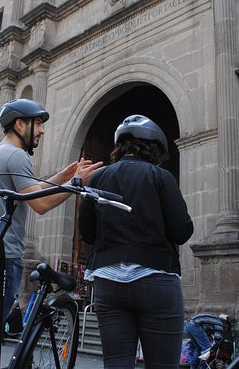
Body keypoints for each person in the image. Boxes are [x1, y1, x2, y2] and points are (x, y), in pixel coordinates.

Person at [0, 98, 102, 322]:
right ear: (20, 124)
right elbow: (39, 204)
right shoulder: (17, 155)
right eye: (38, 123)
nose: (42, 131)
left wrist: (64, 176)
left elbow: (29, 190)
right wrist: (76, 184)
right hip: (4, 255)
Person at [79, 114, 194, 368]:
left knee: (116, 363)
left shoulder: (97, 179)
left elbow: (87, 233)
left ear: (120, 147)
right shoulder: (161, 176)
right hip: (156, 279)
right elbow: (181, 231)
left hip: (108, 282)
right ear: (155, 148)